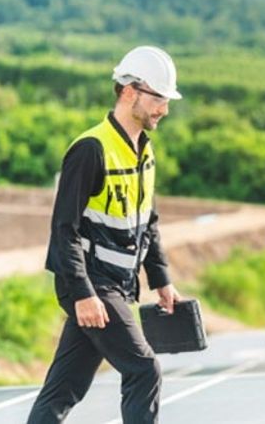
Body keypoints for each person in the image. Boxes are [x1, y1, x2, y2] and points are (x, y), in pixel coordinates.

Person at [28, 46, 183, 424]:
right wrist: (83, 294)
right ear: (129, 91)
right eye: (158, 97)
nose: (163, 108)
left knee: (64, 388)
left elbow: (148, 220)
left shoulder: (143, 150)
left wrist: (160, 279)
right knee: (144, 370)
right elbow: (63, 228)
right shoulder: (90, 150)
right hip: (92, 285)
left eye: (166, 99)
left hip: (116, 285)